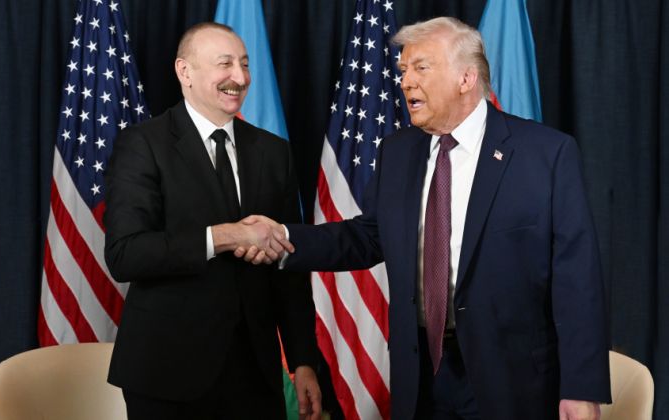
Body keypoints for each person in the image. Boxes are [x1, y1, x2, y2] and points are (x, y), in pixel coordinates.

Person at [237, 17, 611, 420]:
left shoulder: (545, 154)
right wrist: (281, 238)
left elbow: (578, 280)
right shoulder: (399, 151)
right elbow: (367, 237)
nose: (406, 81)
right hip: (420, 377)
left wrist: (581, 388)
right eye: (403, 70)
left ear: (466, 78)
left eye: (421, 68)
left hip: (513, 381)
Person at [104, 22, 321, 420]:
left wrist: (304, 359)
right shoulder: (143, 144)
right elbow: (126, 253)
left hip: (255, 377)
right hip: (167, 374)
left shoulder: (274, 153)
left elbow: (288, 267)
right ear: (184, 71)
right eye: (225, 64)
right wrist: (224, 236)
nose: (240, 77)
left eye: (245, 64)